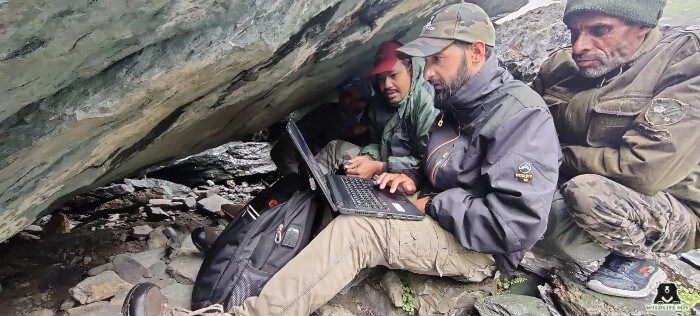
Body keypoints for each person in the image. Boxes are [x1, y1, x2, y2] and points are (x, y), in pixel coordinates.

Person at [120, 4, 560, 316]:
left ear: (477, 53)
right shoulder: (457, 105)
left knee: (358, 230)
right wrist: (407, 180)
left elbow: (515, 225)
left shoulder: (521, 116)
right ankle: (249, 254)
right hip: (437, 213)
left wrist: (432, 204)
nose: (427, 73)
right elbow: (435, 166)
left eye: (437, 60)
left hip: (479, 249)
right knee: (338, 192)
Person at [532, 0, 700, 298]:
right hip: (577, 175)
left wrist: (554, 156)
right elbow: (523, 119)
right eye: (574, 32)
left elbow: (644, 172)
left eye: (600, 30)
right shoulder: (560, 65)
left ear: (642, 28)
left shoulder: (685, 65)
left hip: (669, 205)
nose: (579, 46)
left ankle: (639, 259)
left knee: (587, 195)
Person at [315, 40, 437, 178]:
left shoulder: (427, 103)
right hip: (382, 162)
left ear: (410, 70)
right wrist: (367, 157)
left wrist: (379, 167)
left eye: (393, 75)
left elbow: (427, 163)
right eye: (380, 79)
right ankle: (305, 192)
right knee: (335, 149)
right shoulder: (378, 102)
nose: (387, 85)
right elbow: (376, 143)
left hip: (410, 176)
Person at [270, 75, 373, 176]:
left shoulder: (370, 119)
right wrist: (293, 176)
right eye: (349, 96)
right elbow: (287, 143)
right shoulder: (325, 113)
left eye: (361, 99)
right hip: (315, 170)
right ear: (340, 95)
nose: (353, 102)